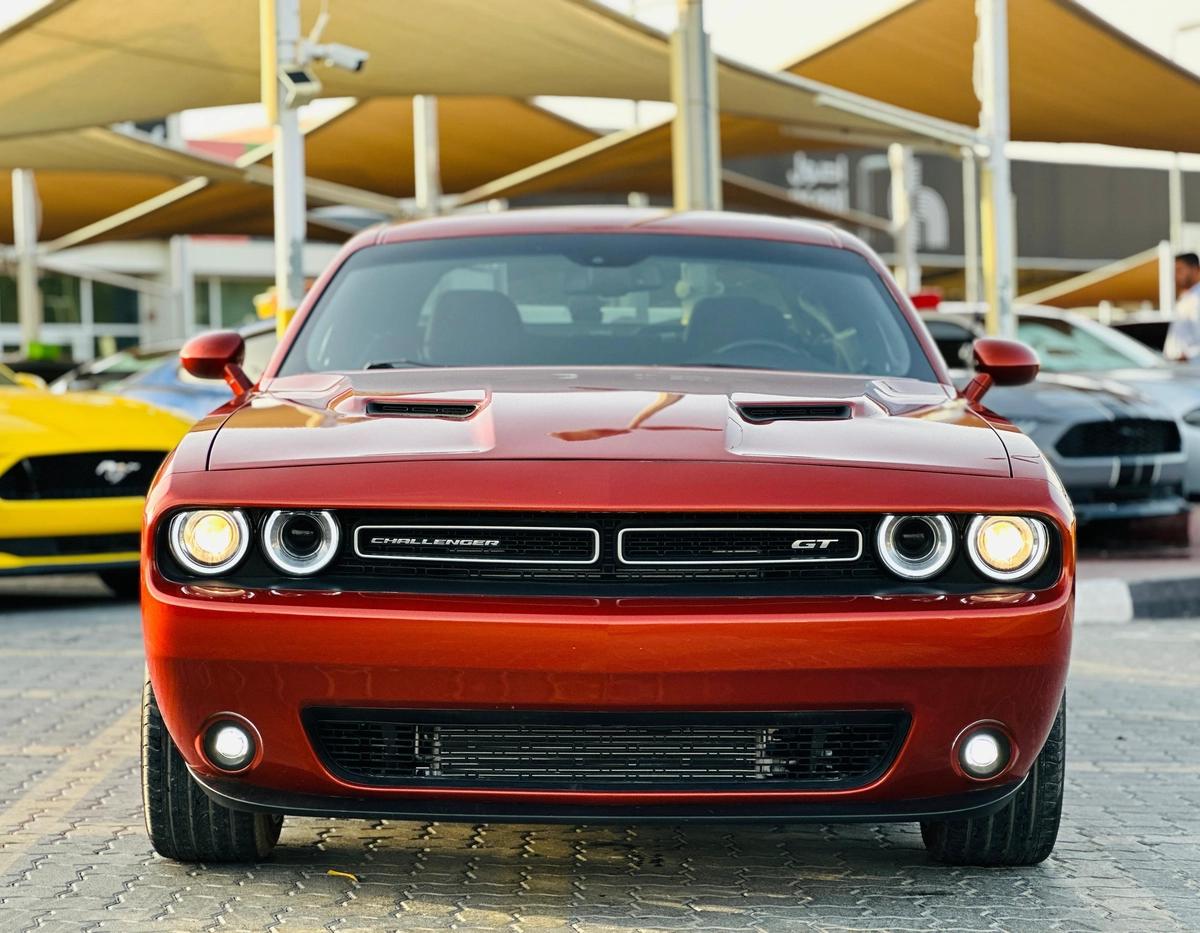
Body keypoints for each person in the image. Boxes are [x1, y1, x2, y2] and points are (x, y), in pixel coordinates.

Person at [1166, 253, 1200, 360]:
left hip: (1193, 370)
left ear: (1194, 269)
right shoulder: (1186, 298)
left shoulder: (1197, 299)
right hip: (1180, 369)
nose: (1175, 275)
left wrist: (1187, 355)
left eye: (1179, 270)